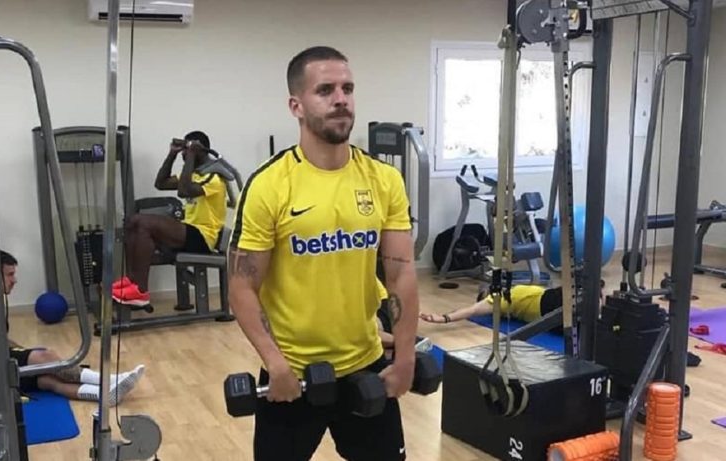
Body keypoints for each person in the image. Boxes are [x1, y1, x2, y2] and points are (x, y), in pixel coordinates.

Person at [228, 46, 419, 461]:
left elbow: (401, 274)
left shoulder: (384, 179)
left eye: (347, 89)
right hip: (291, 372)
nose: (341, 99)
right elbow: (242, 286)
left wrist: (405, 356)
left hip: (366, 363)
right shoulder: (269, 184)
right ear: (295, 105)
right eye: (325, 90)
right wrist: (274, 363)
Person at [0, 251, 144, 405]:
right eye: (9, 275)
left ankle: (104, 395)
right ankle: (110, 379)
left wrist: (22, 351)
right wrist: (31, 357)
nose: (15, 280)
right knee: (45, 357)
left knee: (47, 380)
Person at [112, 130, 227, 306]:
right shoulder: (193, 175)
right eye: (184, 150)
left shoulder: (214, 178)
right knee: (132, 222)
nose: (184, 154)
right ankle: (132, 281)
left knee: (143, 222)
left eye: (187, 150)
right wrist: (172, 154)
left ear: (200, 151)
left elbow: (184, 191)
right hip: (189, 231)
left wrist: (191, 156)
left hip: (203, 238)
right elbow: (160, 183)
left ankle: (140, 291)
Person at [420, 281, 605, 325]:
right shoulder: (499, 300)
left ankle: (602, 307)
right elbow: (473, 310)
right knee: (591, 288)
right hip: (546, 304)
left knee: (590, 291)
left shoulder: (510, 293)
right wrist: (443, 318)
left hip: (548, 299)